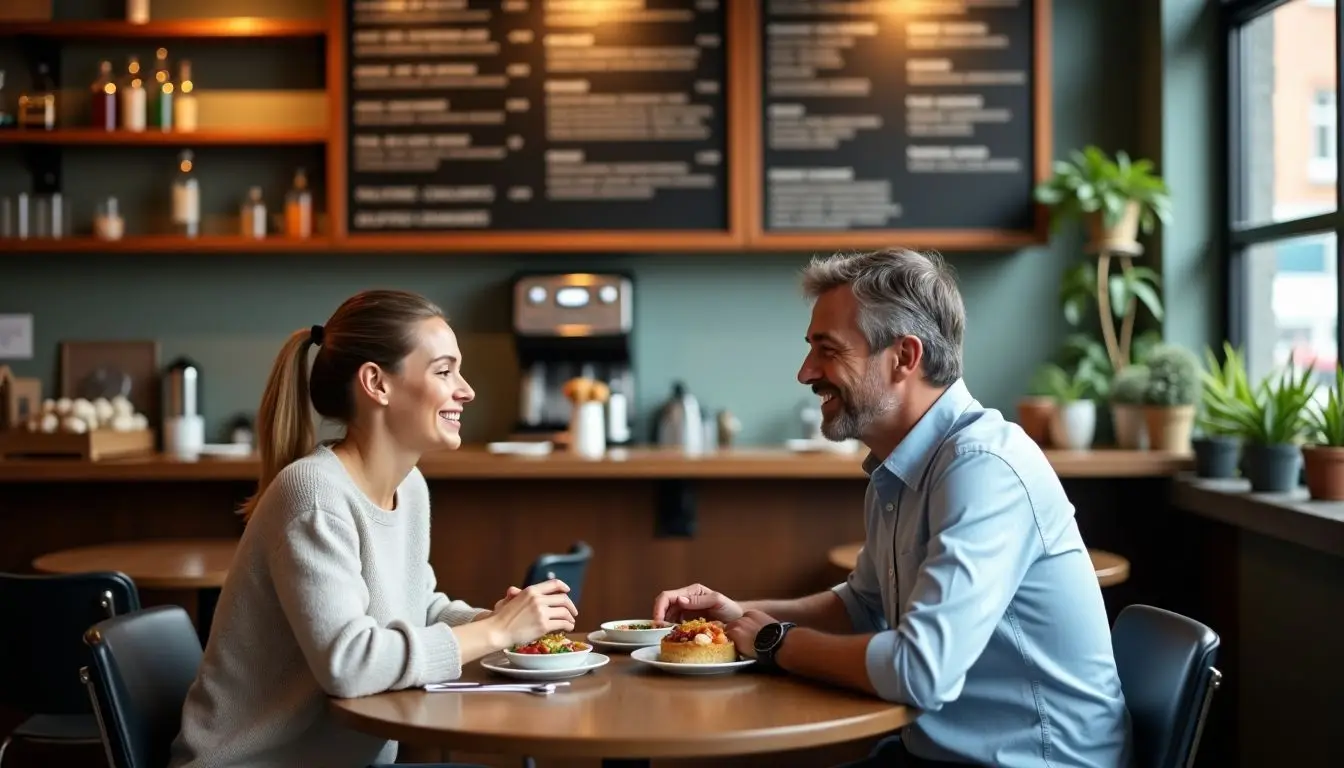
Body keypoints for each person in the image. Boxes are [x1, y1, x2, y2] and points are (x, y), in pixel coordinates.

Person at [652, 249, 1132, 767]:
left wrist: (775, 641)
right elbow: (863, 607)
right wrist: (739, 617)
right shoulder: (901, 468)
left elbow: (920, 670)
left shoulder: (984, 467)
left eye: (828, 350)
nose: (806, 372)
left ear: (904, 356)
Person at [169, 290, 578, 768]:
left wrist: (496, 622)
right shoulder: (315, 495)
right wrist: (494, 632)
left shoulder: (411, 487)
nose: (466, 390)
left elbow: (419, 608)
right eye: (444, 371)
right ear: (376, 383)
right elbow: (349, 664)